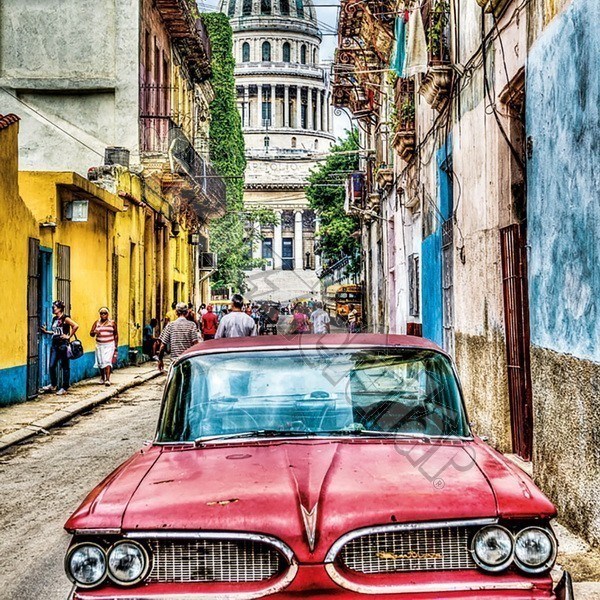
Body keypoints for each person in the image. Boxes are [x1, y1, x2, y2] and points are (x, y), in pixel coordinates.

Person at [40, 300, 79, 395]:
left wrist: (68, 336)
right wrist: (46, 332)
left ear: (60, 309)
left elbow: (75, 326)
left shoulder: (65, 318)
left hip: (63, 345)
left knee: (65, 366)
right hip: (55, 345)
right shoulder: (54, 319)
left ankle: (65, 387)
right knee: (51, 365)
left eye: (54, 307)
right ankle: (53, 385)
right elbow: (56, 332)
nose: (53, 309)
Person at [157, 302, 200, 371]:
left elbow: (162, 346)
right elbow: (196, 344)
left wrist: (160, 360)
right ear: (187, 313)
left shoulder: (171, 325)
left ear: (176, 313)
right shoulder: (192, 325)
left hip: (175, 362)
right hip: (188, 361)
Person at [90, 307, 118, 386]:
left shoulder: (112, 323)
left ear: (107, 314)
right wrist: (95, 332)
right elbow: (91, 333)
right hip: (99, 345)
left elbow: (115, 334)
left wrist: (116, 346)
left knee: (107, 361)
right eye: (101, 313)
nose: (103, 315)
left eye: (105, 313)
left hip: (109, 345)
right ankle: (102, 377)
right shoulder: (96, 323)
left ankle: (108, 379)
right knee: (101, 362)